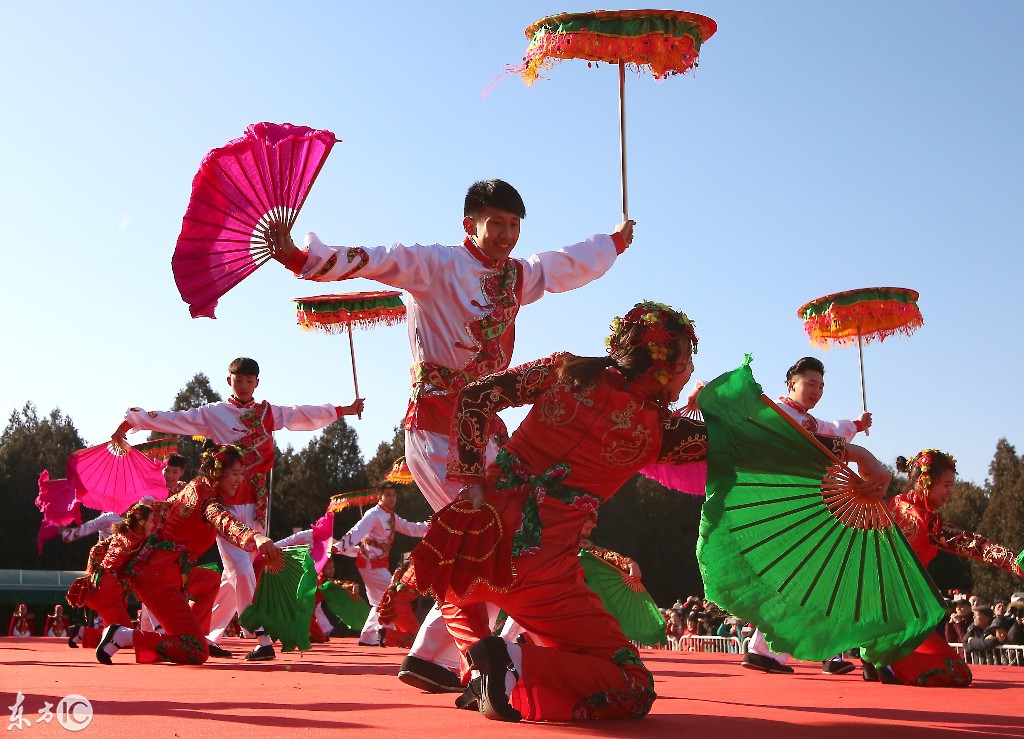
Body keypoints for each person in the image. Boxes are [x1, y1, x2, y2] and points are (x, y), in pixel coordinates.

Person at [268, 179, 635, 691]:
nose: (507, 234)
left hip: (484, 432)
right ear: (470, 224)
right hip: (437, 430)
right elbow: (376, 258)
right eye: (496, 223)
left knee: (496, 542)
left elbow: (559, 267)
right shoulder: (435, 264)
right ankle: (479, 661)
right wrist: (302, 257)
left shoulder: (516, 276)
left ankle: (430, 657)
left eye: (514, 225)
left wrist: (612, 244)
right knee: (489, 542)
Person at [410, 301, 706, 722]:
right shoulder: (661, 431)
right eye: (687, 360)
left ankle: (482, 667)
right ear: (661, 367)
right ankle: (511, 663)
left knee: (454, 578)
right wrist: (831, 447)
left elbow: (476, 396)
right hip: (542, 572)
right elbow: (749, 444)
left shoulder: (566, 370)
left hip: (479, 543)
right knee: (633, 684)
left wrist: (471, 478)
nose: (691, 370)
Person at [111, 357, 363, 661]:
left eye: (248, 381)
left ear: (257, 383)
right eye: (238, 380)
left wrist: (342, 411)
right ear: (229, 381)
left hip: (256, 504)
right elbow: (175, 418)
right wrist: (133, 421)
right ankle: (260, 636)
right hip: (221, 506)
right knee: (241, 569)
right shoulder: (214, 414)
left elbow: (300, 415)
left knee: (239, 576)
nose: (243, 386)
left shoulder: (267, 413)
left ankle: (209, 635)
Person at [94, 445, 284, 665]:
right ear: (217, 472)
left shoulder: (195, 488)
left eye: (241, 474)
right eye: (234, 474)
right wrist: (256, 537)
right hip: (159, 579)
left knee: (211, 579)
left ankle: (198, 632)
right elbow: (224, 521)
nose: (239, 480)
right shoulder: (207, 500)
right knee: (195, 652)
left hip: (168, 572)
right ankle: (123, 635)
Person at [742, 356, 871, 677]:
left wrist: (857, 424)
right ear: (791, 385)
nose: (817, 390)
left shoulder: (808, 420)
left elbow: (832, 431)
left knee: (819, 578)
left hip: (811, 508)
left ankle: (821, 651)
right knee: (804, 579)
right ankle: (771, 651)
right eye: (810, 384)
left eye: (821, 386)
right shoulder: (773, 413)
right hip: (783, 509)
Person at [881, 449, 1024, 686]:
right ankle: (889, 662)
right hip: (901, 605)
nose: (950, 491)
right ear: (925, 482)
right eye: (946, 485)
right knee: (956, 671)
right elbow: (972, 544)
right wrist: (1012, 560)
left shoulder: (891, 504)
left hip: (874, 595)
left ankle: (879, 657)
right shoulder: (926, 521)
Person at [336, 481, 429, 646]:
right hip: (370, 562)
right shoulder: (374, 514)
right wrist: (340, 547)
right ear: (380, 496)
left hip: (378, 563)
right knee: (392, 593)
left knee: (380, 600)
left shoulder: (391, 516)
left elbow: (410, 528)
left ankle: (367, 637)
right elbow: (357, 530)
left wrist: (430, 527)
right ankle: (384, 631)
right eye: (388, 495)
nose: (392, 498)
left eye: (394, 495)